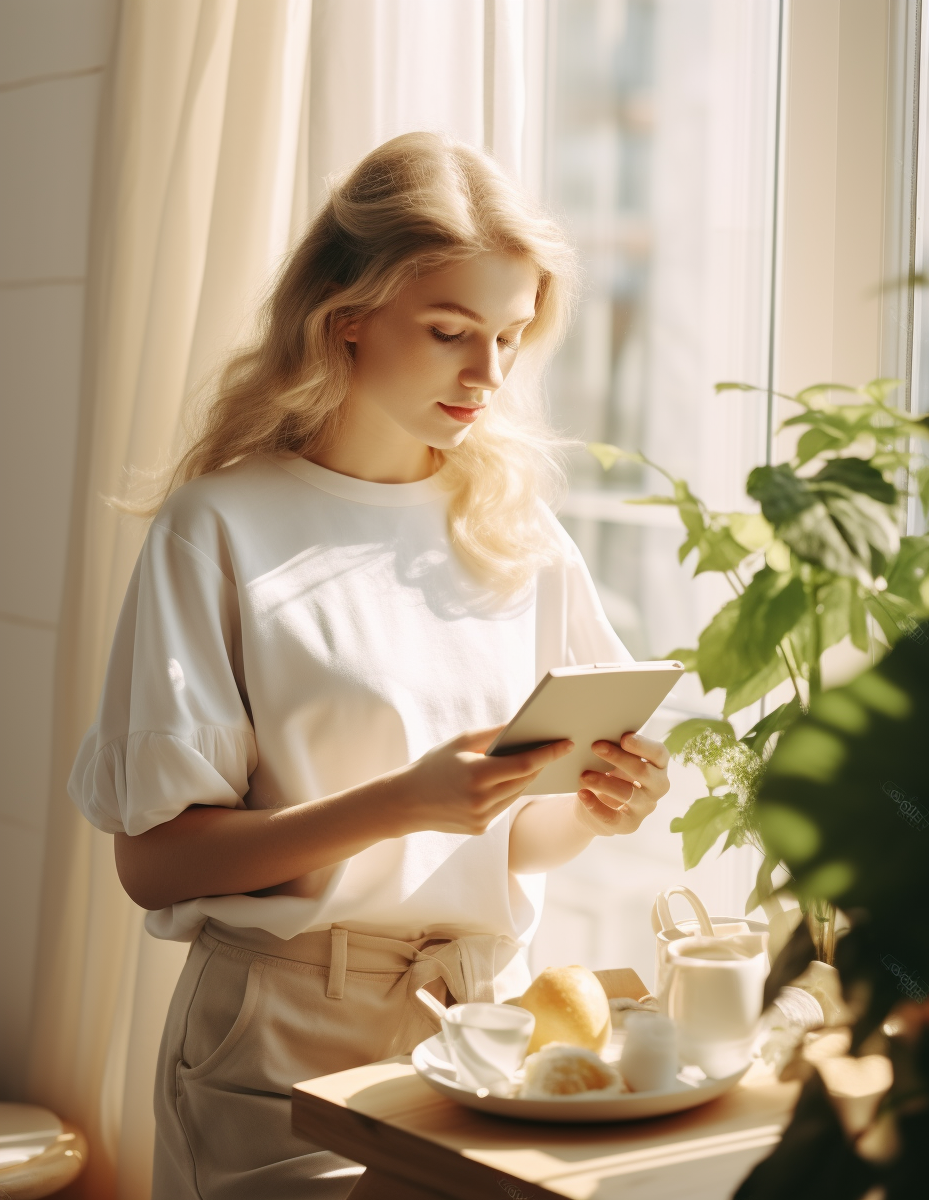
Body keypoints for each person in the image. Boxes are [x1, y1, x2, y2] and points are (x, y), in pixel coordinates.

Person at [69, 131, 671, 1200]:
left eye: (512, 337)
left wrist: (598, 804)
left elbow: (521, 837)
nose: (489, 374)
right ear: (344, 320)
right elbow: (152, 864)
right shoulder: (221, 527)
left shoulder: (518, 534)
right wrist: (400, 801)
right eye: (450, 333)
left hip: (484, 1030)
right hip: (280, 1042)